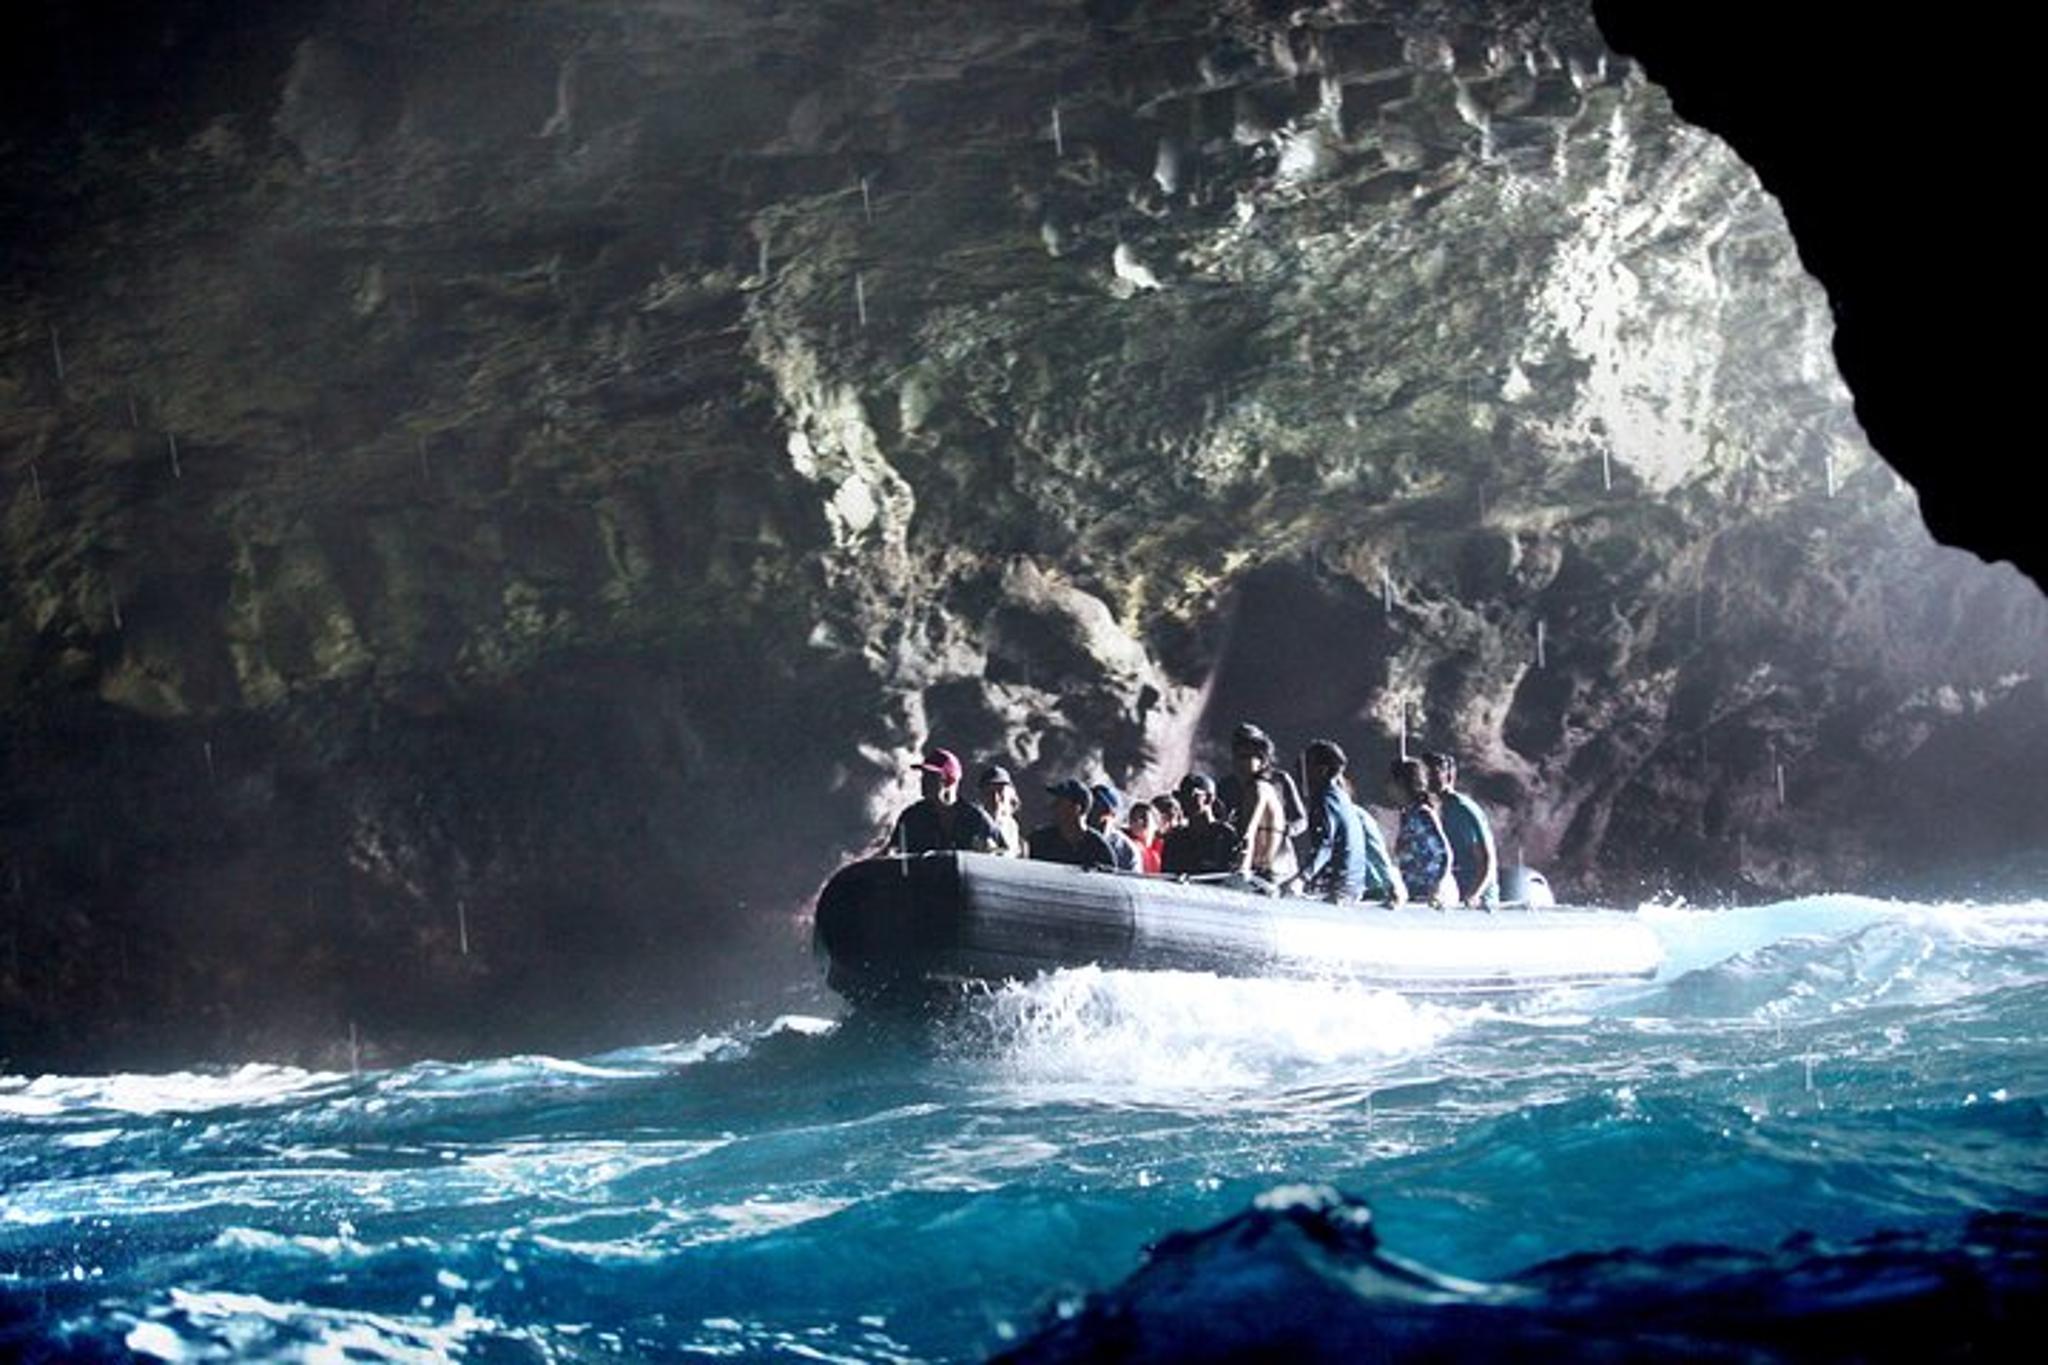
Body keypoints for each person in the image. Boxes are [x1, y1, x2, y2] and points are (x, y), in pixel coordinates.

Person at [1293, 739, 1402, 905]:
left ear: (1322, 770)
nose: (1301, 772)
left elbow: (1325, 845)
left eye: (1307, 765)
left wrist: (1300, 879)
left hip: (1338, 891)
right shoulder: (1341, 798)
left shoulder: (1326, 799)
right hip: (1352, 889)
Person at [1218, 722, 1304, 884]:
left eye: (1245, 755)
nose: (1239, 761)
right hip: (1246, 862)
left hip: (1277, 857)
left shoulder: (1280, 780)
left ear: (1261, 755)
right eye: (1236, 754)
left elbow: (1301, 819)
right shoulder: (1227, 785)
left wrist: (1282, 830)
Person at [889, 748, 1003, 854]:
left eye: (931, 777)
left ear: (950, 780)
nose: (923, 781)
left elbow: (1002, 855)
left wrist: (990, 851)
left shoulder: (976, 819)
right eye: (924, 775)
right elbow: (892, 853)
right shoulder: (912, 818)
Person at [1425, 751, 1499, 908]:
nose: (1428, 778)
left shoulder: (1461, 810)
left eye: (1434, 773)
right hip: (1449, 896)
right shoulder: (1429, 810)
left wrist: (1474, 895)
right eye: (1425, 773)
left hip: (1475, 903)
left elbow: (1486, 860)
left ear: (1449, 776)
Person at [1389, 757, 1456, 907]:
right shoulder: (1407, 815)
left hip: (1432, 897)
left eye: (1390, 782)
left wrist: (1438, 888)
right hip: (1416, 893)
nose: (1387, 787)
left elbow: (1445, 853)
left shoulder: (1422, 814)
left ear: (1400, 784)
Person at [1027, 778, 1119, 868]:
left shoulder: (1099, 849)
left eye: (1060, 802)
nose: (1053, 806)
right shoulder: (1039, 841)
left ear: (1076, 809)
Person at [1160, 773, 1240, 876]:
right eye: (1182, 796)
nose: (1185, 800)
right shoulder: (1176, 838)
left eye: (1191, 795)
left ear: (1208, 799)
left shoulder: (1225, 836)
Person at [1089, 783, 1144, 872]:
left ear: (1113, 815)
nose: (1094, 815)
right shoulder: (1073, 838)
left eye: (1102, 810)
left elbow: (1132, 882)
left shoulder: (1126, 850)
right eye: (1093, 807)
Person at [976, 764, 1025, 857]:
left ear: (1011, 795)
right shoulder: (972, 824)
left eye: (1000, 791)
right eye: (989, 793)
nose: (995, 798)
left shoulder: (1013, 827)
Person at [1125, 801, 1164, 874]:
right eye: (1134, 818)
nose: (1138, 821)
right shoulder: (1125, 847)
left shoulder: (1164, 850)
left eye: (1143, 817)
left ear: (1157, 824)